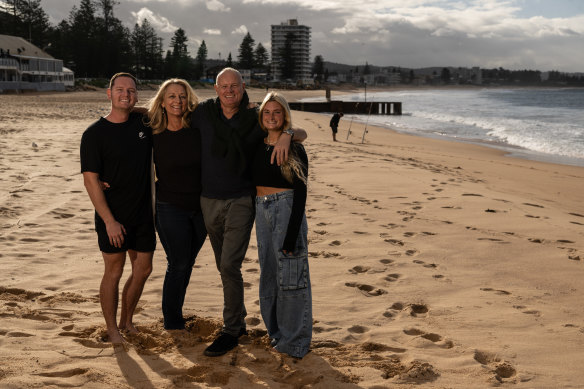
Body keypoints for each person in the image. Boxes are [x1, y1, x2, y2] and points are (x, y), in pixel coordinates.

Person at [191, 67, 307, 357]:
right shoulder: (204, 112)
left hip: (246, 202)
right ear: (216, 89)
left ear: (243, 88)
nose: (230, 90)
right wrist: (127, 107)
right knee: (235, 267)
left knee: (236, 266)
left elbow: (294, 132)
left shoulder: (255, 120)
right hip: (217, 200)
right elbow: (170, 111)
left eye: (235, 85)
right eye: (224, 86)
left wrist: (289, 134)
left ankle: (233, 329)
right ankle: (253, 325)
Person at [80, 72, 156, 344]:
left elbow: (158, 108)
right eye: (120, 90)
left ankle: (127, 321)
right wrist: (109, 221)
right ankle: (112, 330)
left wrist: (129, 105)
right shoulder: (94, 134)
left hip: (143, 212)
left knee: (143, 269)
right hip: (112, 215)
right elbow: (91, 181)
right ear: (108, 93)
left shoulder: (143, 123)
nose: (126, 94)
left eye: (132, 90)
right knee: (114, 270)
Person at [252, 92, 311, 358]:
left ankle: (295, 341)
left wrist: (291, 237)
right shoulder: (257, 143)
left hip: (286, 210)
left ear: (284, 116)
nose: (271, 117)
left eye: (277, 112)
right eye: (267, 112)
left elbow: (301, 195)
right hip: (261, 210)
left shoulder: (295, 148)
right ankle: (276, 333)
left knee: (292, 277)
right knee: (270, 276)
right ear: (261, 116)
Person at [146, 79, 207, 330]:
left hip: (201, 208)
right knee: (178, 262)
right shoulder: (153, 134)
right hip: (169, 206)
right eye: (171, 96)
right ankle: (172, 321)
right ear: (162, 101)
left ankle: (176, 313)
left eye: (182, 96)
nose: (177, 101)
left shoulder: (198, 128)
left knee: (187, 262)